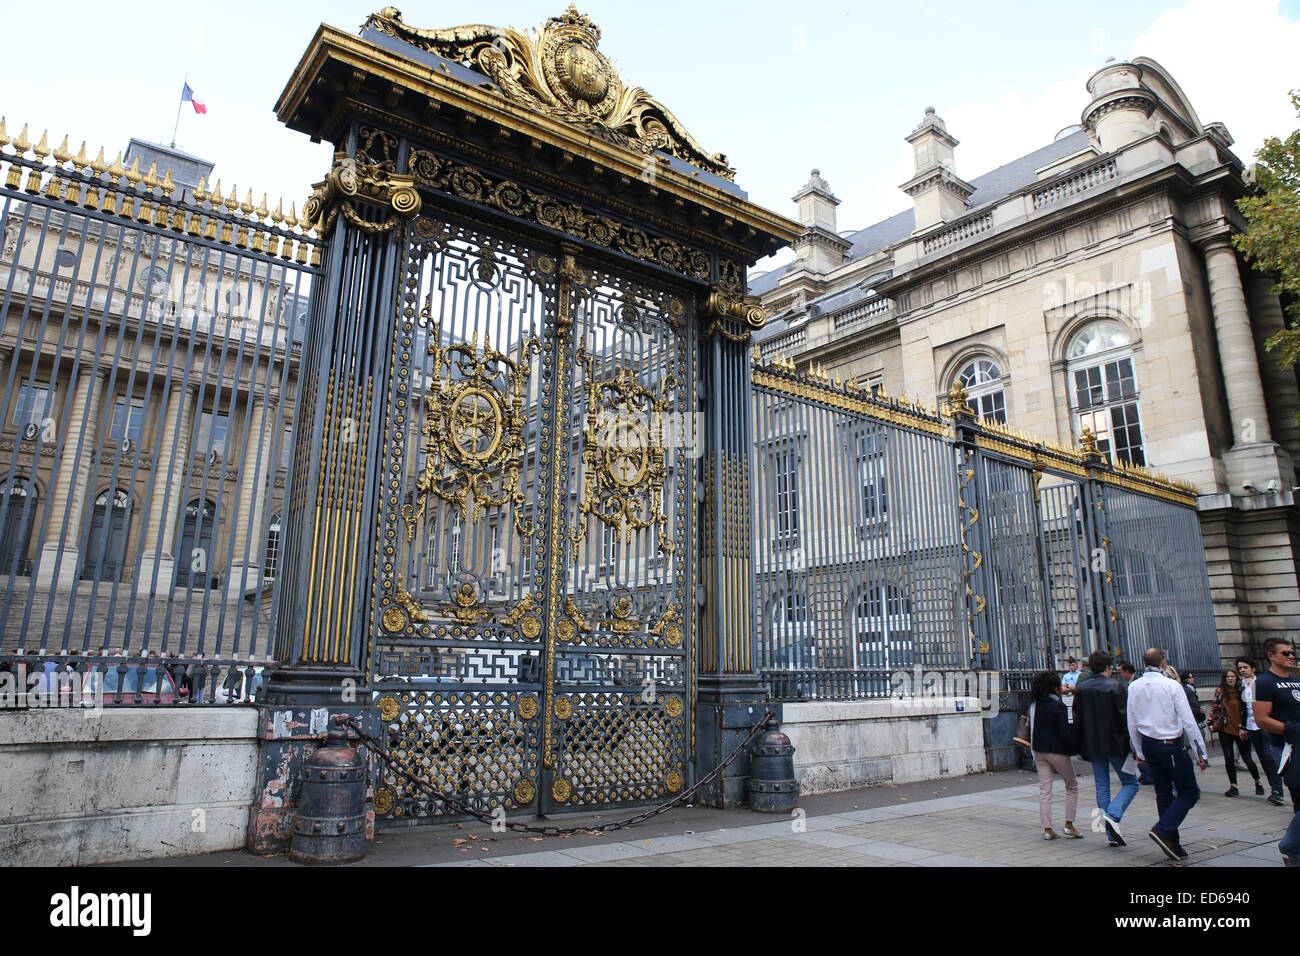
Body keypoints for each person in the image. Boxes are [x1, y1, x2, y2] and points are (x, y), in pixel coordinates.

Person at [1127, 647, 1209, 861]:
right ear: (1163, 663)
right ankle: (1164, 829)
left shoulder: (1134, 686)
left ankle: (1172, 841)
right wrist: (1200, 750)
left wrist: (1139, 751)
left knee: (1163, 793)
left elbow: (1132, 722)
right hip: (1169, 743)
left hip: (1149, 743)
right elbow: (1188, 721)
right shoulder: (1171, 685)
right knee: (1190, 792)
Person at [1073, 650, 1137, 847]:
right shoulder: (1116, 687)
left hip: (1093, 744)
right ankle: (1113, 815)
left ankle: (1110, 834)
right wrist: (1132, 744)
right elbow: (1124, 718)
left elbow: (1077, 717)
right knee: (1130, 783)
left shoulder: (1082, 688)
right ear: (1108, 668)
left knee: (1102, 786)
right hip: (1115, 744)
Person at [1026, 670, 1082, 840]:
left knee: (1045, 789)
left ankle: (1047, 829)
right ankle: (1069, 824)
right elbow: (1064, 734)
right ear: (1055, 688)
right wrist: (1074, 747)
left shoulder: (1035, 705)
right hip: (1057, 751)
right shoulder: (1059, 707)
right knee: (1071, 785)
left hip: (1038, 750)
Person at [1252, 637, 1300, 815]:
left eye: (1292, 653)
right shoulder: (1261, 683)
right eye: (1285, 653)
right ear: (1270, 655)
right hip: (1285, 746)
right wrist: (1292, 730)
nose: (1291, 656)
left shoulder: (1297, 680)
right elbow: (1261, 719)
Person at [1207, 668, 1262, 797]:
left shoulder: (1241, 690)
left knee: (1247, 758)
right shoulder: (1220, 691)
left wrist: (1246, 726)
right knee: (1228, 758)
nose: (1230, 679)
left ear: (1236, 678)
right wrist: (1211, 722)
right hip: (1225, 728)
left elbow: (1248, 708)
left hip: (1240, 729)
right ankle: (1233, 786)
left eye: (1232, 676)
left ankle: (1258, 782)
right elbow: (1215, 707)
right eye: (1227, 677)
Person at [1238, 656, 1284, 803]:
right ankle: (1275, 788)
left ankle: (1278, 790)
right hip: (1251, 727)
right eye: (1240, 668)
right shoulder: (1240, 686)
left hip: (1265, 725)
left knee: (1271, 758)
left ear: (1253, 669)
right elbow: (1242, 708)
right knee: (1263, 760)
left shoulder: (1262, 683)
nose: (1242, 670)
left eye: (1245, 667)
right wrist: (1243, 726)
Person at [1061, 657, 1081, 723]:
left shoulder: (1080, 674)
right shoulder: (1066, 676)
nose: (1071, 667)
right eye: (1069, 665)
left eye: (1073, 665)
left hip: (1078, 696)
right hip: (1069, 698)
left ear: (1076, 664)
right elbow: (1062, 689)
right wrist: (1074, 687)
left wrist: (1068, 686)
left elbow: (1081, 687)